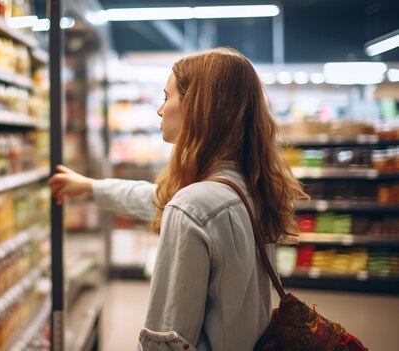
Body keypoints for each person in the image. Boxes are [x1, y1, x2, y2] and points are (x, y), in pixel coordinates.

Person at [49, 47, 306, 351]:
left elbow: (167, 340)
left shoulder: (192, 205)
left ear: (199, 108)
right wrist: (90, 188)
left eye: (166, 97)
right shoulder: (248, 188)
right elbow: (159, 199)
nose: (160, 110)